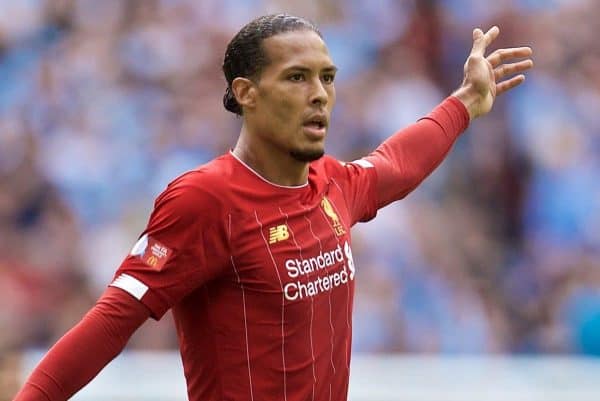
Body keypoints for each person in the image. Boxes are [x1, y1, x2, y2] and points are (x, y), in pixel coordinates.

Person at [13, 13, 533, 401]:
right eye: (296, 77)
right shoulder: (205, 199)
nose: (320, 95)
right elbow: (111, 322)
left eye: (327, 78)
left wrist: (465, 103)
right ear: (246, 93)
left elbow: (396, 164)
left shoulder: (330, 184)